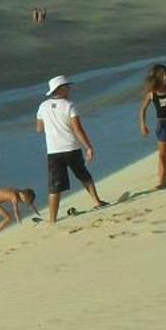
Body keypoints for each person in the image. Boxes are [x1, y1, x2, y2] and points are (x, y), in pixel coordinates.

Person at [34, 75, 106, 224]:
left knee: (55, 186)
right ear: (60, 89)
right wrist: (88, 147)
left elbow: (39, 129)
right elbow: (78, 129)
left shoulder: (43, 106)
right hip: (71, 147)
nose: (69, 89)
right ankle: (97, 201)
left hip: (54, 151)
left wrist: (52, 124)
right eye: (67, 86)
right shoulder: (69, 105)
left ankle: (52, 219)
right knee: (83, 175)